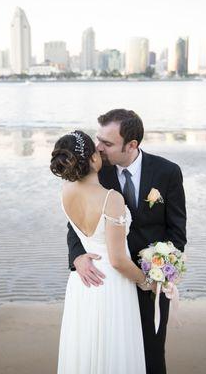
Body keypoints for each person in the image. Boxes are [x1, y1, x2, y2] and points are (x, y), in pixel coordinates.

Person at [66, 109, 187, 374]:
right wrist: (77, 257)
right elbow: (74, 223)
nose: (97, 148)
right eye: (98, 139)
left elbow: (177, 234)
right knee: (112, 354)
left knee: (151, 354)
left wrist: (162, 270)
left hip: (149, 282)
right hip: (109, 284)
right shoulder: (95, 172)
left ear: (132, 145)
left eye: (107, 143)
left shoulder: (168, 172)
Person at [52, 129, 147, 374]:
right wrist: (147, 282)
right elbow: (117, 260)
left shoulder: (66, 191)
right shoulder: (111, 199)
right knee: (113, 351)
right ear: (93, 159)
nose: (101, 151)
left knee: (85, 350)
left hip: (82, 283)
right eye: (97, 150)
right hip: (110, 282)